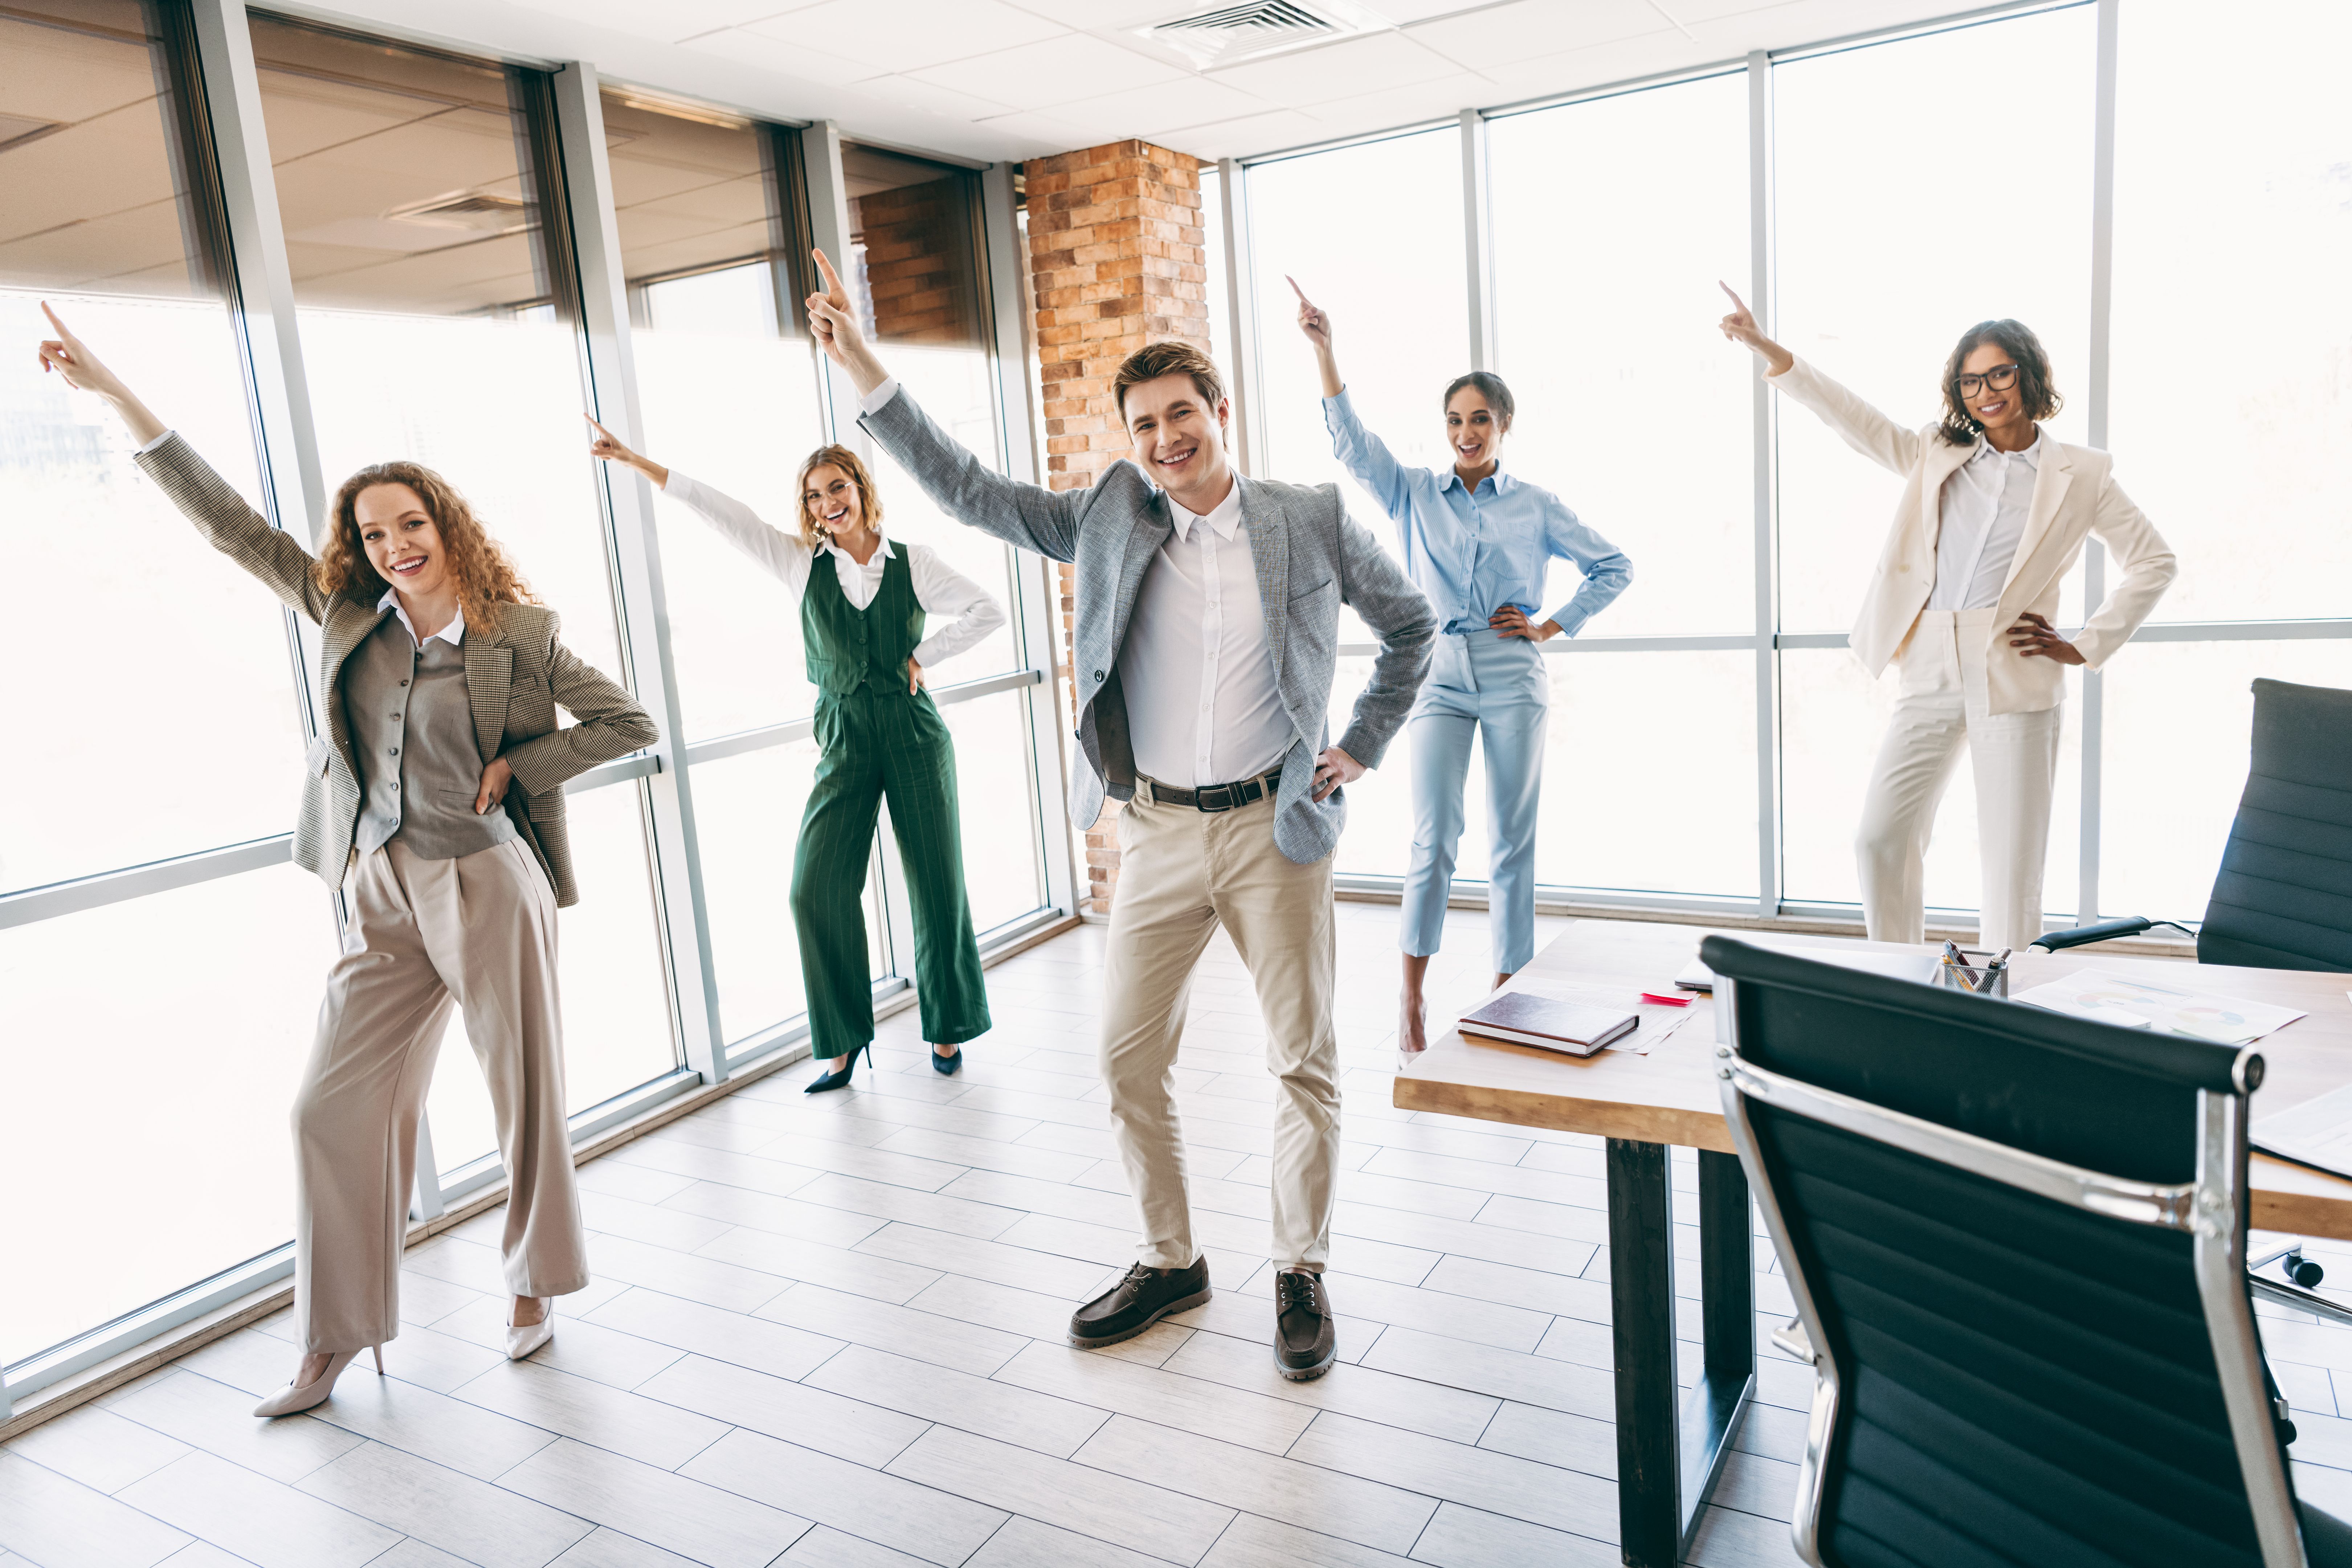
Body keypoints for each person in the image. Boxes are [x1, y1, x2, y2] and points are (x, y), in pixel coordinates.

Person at [799, 249, 1434, 1380]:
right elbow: (969, 492)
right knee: (1125, 1059)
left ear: (1220, 412)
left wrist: (1356, 747)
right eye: (1144, 424)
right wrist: (863, 365)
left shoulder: (1308, 517)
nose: (1164, 440)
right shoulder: (1108, 519)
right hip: (1154, 832)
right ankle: (1172, 1258)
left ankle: (1300, 1271)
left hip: (1273, 830)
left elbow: (1413, 627)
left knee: (1304, 1062)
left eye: (1180, 415)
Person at [36, 305, 658, 1417]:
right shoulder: (346, 616)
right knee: (327, 1109)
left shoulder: (515, 632)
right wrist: (115, 398)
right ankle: (334, 1338)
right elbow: (231, 525)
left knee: (524, 1096)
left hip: (485, 881)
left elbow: (628, 723)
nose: (393, 547)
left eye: (409, 525)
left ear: (444, 524)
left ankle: (533, 1287)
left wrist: (521, 768)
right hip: (374, 887)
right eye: (374, 535)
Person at [1716, 285, 2175, 950]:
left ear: (2028, 375)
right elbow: (1854, 417)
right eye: (1969, 381)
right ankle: (1900, 981)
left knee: (2011, 870)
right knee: (1881, 838)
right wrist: (1768, 348)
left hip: (2014, 668)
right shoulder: (1937, 453)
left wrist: (2086, 644)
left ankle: (2004, 1010)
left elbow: (2153, 561)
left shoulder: (2084, 473)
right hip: (1929, 661)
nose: (1985, 391)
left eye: (1998, 374)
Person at [586, 422, 1001, 1085]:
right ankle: (841, 1038)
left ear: (862, 490)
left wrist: (926, 655)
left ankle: (948, 1029)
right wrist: (639, 463)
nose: (826, 503)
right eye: (813, 496)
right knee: (814, 889)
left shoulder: (912, 562)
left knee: (937, 885)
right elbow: (724, 514)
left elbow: (988, 610)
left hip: (915, 732)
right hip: (843, 735)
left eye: (837, 487)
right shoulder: (798, 563)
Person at [1291, 279, 1632, 1051]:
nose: (1465, 432)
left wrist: (1551, 624)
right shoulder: (1414, 493)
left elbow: (1614, 566)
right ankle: (1411, 996)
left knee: (1513, 840)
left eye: (1480, 419)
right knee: (1434, 836)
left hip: (1513, 675)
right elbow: (1352, 446)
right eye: (1454, 420)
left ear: (1505, 424)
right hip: (1437, 676)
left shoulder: (1536, 505)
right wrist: (1325, 350)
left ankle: (1508, 991)